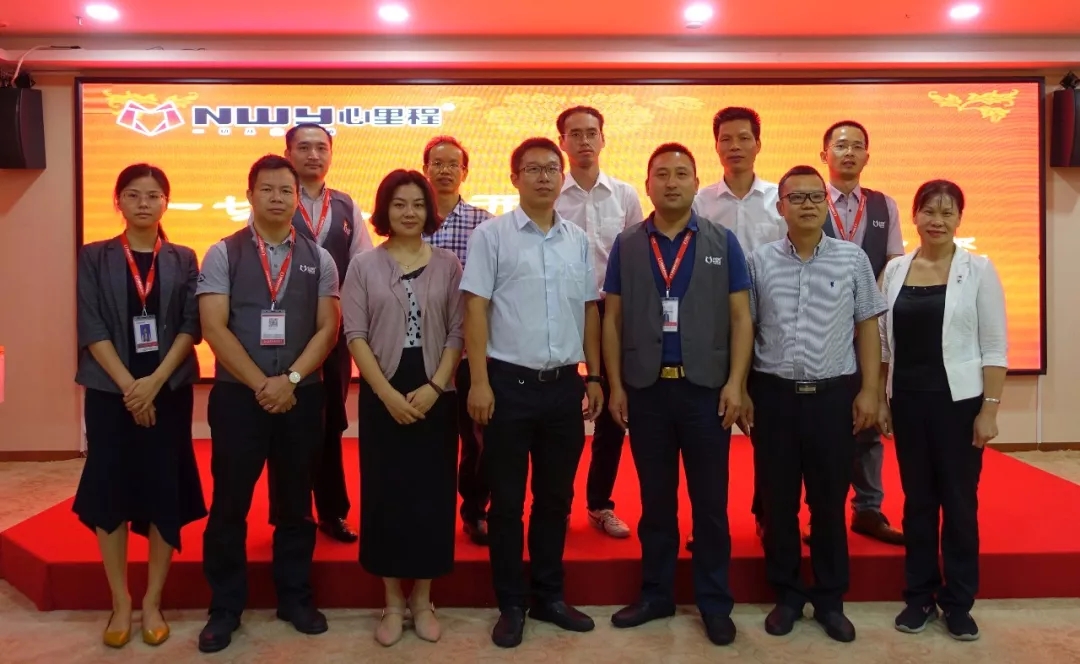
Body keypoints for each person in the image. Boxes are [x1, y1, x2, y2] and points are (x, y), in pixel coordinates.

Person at [602, 143, 753, 646]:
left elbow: (741, 318)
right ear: (647, 184)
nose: (671, 182)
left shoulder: (721, 241)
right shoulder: (627, 244)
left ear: (695, 183)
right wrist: (616, 385)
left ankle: (714, 602)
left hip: (705, 392)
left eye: (681, 174)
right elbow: (612, 319)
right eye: (662, 174)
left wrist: (736, 383)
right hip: (647, 392)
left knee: (710, 504)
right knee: (656, 502)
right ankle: (656, 595)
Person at [460, 137, 604, 648]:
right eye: (533, 169)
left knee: (555, 499)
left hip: (563, 387)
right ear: (514, 177)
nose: (544, 177)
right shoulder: (492, 236)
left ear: (561, 177)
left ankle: (549, 595)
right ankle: (510, 603)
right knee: (505, 502)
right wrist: (479, 381)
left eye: (551, 169)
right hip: (507, 386)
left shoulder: (576, 239)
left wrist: (594, 375)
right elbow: (475, 308)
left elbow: (588, 309)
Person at [196, 155, 342, 653]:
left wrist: (291, 380)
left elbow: (328, 328)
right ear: (250, 194)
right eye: (267, 189)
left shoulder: (320, 258)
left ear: (298, 198)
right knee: (230, 504)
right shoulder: (224, 252)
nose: (278, 198)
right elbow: (213, 327)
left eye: (286, 190)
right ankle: (224, 607)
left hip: (301, 396)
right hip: (240, 397)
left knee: (296, 504)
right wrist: (263, 383)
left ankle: (295, 599)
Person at [746, 164, 886, 643]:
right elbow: (746, 328)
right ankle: (786, 595)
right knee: (779, 502)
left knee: (828, 503)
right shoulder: (759, 261)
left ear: (826, 204)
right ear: (780, 206)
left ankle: (829, 598)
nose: (807, 205)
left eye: (815, 197)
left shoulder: (852, 259)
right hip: (774, 398)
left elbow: (868, 326)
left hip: (832, 399)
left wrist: (870, 390)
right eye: (796, 197)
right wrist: (741, 388)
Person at [74, 163, 206, 648]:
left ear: (166, 202)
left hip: (167, 392)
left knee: (162, 490)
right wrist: (132, 387)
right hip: (111, 394)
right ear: (118, 202)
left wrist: (153, 385)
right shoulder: (95, 256)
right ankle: (120, 600)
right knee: (110, 490)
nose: (144, 203)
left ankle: (152, 599)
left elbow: (191, 326)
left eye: (153, 195)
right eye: (133, 195)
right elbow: (91, 326)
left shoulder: (183, 258)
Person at [878, 180, 1007, 641]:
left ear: (959, 219)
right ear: (914, 216)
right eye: (929, 211)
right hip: (907, 402)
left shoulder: (978, 269)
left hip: (960, 405)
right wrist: (881, 397)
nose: (937, 220)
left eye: (947, 212)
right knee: (917, 503)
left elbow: (994, 346)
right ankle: (919, 596)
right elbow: (883, 344)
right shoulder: (895, 270)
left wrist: (989, 410)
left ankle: (958, 602)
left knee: (958, 502)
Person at [342, 169, 464, 646]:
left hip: (436, 393)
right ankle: (393, 601)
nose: (409, 212)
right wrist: (386, 394)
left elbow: (458, 332)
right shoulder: (363, 266)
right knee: (386, 496)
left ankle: (424, 599)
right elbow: (355, 335)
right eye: (399, 204)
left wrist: (436, 386)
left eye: (417, 204)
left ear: (429, 210)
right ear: (384, 210)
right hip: (383, 394)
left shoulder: (450, 264)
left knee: (432, 497)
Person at [692, 106, 786, 546]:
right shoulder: (700, 202)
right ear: (716, 146)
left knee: (770, 432)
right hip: (716, 328)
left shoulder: (779, 200)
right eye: (726, 139)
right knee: (710, 435)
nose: (735, 147)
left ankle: (767, 513)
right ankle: (709, 524)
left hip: (772, 325)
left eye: (744, 138)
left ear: (758, 144)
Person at [277, 122, 373, 543]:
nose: (313, 155)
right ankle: (290, 513)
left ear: (331, 154)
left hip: (333, 334)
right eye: (304, 147)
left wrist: (347, 322)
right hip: (286, 335)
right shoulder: (276, 198)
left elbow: (363, 266)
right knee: (288, 425)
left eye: (321, 147)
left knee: (329, 423)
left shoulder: (347, 205)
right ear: (289, 154)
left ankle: (333, 513)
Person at [817, 120, 905, 546]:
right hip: (822, 329)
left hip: (869, 328)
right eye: (840, 145)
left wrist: (869, 309)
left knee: (868, 422)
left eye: (857, 146)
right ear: (825, 155)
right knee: (823, 427)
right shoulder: (810, 199)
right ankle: (822, 513)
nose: (848, 152)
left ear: (868, 156)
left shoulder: (885, 205)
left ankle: (868, 509)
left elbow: (894, 264)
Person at [556, 105, 642, 539]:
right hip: (560, 311)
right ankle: (555, 504)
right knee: (559, 413)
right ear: (562, 143)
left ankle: (600, 504)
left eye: (591, 132)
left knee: (612, 411)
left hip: (611, 313)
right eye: (575, 134)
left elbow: (639, 258)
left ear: (603, 139)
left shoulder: (624, 195)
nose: (584, 140)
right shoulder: (550, 193)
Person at [422, 135, 495, 546]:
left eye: (453, 164)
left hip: (469, 350)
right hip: (422, 347)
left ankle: (475, 509)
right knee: (427, 437)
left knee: (476, 438)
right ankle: (428, 512)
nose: (445, 170)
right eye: (438, 163)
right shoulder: (411, 217)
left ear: (464, 172)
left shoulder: (484, 223)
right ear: (425, 169)